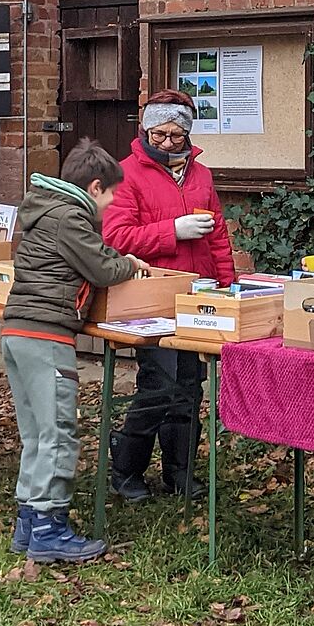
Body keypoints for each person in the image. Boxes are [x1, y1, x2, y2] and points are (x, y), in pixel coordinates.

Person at [0, 139, 149, 563]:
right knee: (59, 434)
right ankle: (50, 529)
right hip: (46, 337)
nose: (110, 206)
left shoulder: (45, 210)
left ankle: (29, 522)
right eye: (112, 197)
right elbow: (101, 266)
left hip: (18, 332)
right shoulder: (70, 217)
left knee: (36, 436)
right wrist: (131, 263)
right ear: (96, 187)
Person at [102, 90, 235, 501]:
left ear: (188, 135)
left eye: (176, 136)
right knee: (159, 384)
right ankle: (126, 469)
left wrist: (227, 285)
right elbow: (115, 237)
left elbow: (218, 236)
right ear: (144, 129)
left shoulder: (201, 176)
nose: (165, 143)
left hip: (197, 294)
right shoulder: (124, 175)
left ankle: (179, 472)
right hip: (152, 296)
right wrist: (172, 231)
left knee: (190, 388)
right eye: (158, 134)